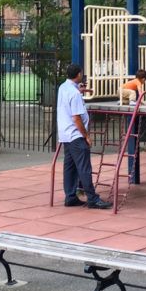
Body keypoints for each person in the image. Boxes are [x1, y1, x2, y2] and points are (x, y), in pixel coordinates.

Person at [57, 64, 111, 209]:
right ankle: (92, 198)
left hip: (65, 134)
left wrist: (78, 90)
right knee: (84, 168)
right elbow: (76, 118)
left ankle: (70, 196)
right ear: (79, 74)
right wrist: (86, 135)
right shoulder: (74, 94)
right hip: (75, 135)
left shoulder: (63, 87)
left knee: (69, 167)